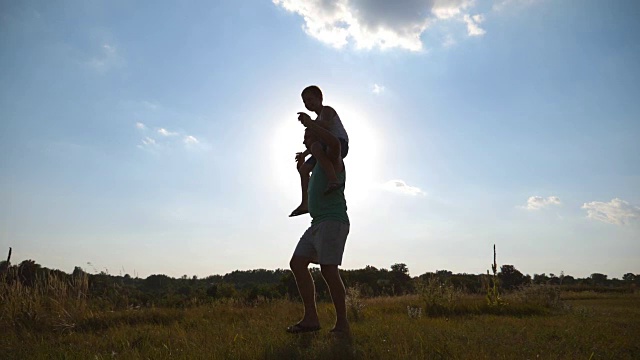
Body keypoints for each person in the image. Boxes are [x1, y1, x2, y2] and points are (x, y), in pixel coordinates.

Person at [286, 115, 350, 335]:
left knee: (328, 270)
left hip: (333, 220)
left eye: (307, 137)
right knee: (297, 263)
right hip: (316, 223)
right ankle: (311, 319)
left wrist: (312, 125)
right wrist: (302, 171)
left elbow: (333, 143)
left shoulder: (333, 158)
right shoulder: (316, 168)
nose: (304, 142)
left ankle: (342, 324)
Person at [289, 85, 349, 217]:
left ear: (320, 98)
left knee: (317, 147)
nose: (308, 104)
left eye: (310, 99)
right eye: (305, 102)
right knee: (304, 170)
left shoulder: (326, 111)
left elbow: (326, 126)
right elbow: (315, 142)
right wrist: (304, 154)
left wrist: (310, 123)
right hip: (323, 146)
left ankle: (333, 179)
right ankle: (305, 203)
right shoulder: (315, 121)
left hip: (338, 143)